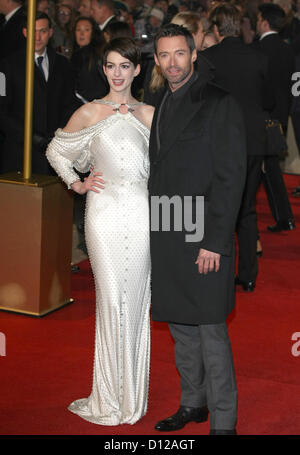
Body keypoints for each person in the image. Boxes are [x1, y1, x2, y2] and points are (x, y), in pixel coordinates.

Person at [46, 37, 154, 425]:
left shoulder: (150, 114)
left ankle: (132, 395)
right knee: (111, 300)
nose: (118, 73)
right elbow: (56, 150)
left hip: (142, 214)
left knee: (138, 300)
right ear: (104, 70)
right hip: (104, 215)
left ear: (137, 69)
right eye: (111, 65)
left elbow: (172, 163)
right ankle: (109, 395)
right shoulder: (90, 112)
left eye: (126, 65)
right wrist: (76, 183)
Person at [148, 23, 246, 435]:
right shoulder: (159, 102)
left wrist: (215, 243)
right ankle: (194, 403)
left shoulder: (219, 102)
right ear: (156, 60)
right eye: (164, 55)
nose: (172, 63)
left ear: (194, 54)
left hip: (203, 234)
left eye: (180, 54)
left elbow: (231, 178)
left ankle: (224, 424)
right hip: (167, 230)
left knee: (210, 332)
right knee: (180, 328)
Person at [202, 3, 273, 292]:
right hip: (254, 141)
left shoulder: (207, 59)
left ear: (216, 29)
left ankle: (216, 274)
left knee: (219, 209)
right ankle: (248, 275)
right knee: (247, 210)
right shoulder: (258, 57)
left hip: (219, 143)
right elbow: (269, 101)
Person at [0, 11, 79, 175]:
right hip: (19, 153)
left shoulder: (63, 64)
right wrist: (33, 138)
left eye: (42, 31)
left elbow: (69, 103)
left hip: (55, 152)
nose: (37, 37)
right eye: (33, 31)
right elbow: (2, 112)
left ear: (50, 33)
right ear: (25, 32)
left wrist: (59, 134)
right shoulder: (6, 65)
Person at [255, 2, 296, 232]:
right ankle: (284, 217)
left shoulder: (258, 50)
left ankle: (284, 217)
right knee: (269, 168)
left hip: (262, 117)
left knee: (264, 168)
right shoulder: (287, 49)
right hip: (281, 115)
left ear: (264, 22)